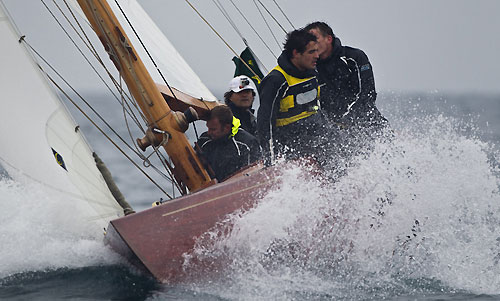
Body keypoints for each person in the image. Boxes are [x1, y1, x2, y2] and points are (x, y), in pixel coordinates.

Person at [257, 29, 326, 163]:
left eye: (317, 51)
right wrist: (270, 161)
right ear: (296, 53)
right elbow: (265, 124)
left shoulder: (314, 72)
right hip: (292, 143)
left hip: (319, 134)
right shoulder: (276, 81)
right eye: (311, 52)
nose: (317, 56)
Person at [304, 21, 387, 129]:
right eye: (308, 41)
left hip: (366, 121)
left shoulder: (355, 57)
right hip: (334, 130)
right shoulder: (309, 68)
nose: (311, 44)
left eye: (315, 38)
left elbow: (368, 94)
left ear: (329, 39)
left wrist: (348, 119)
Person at [196, 105, 261, 182]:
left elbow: (255, 174)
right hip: (209, 190)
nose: (209, 132)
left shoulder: (247, 143)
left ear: (227, 128)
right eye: (208, 128)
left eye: (213, 129)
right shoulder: (204, 140)